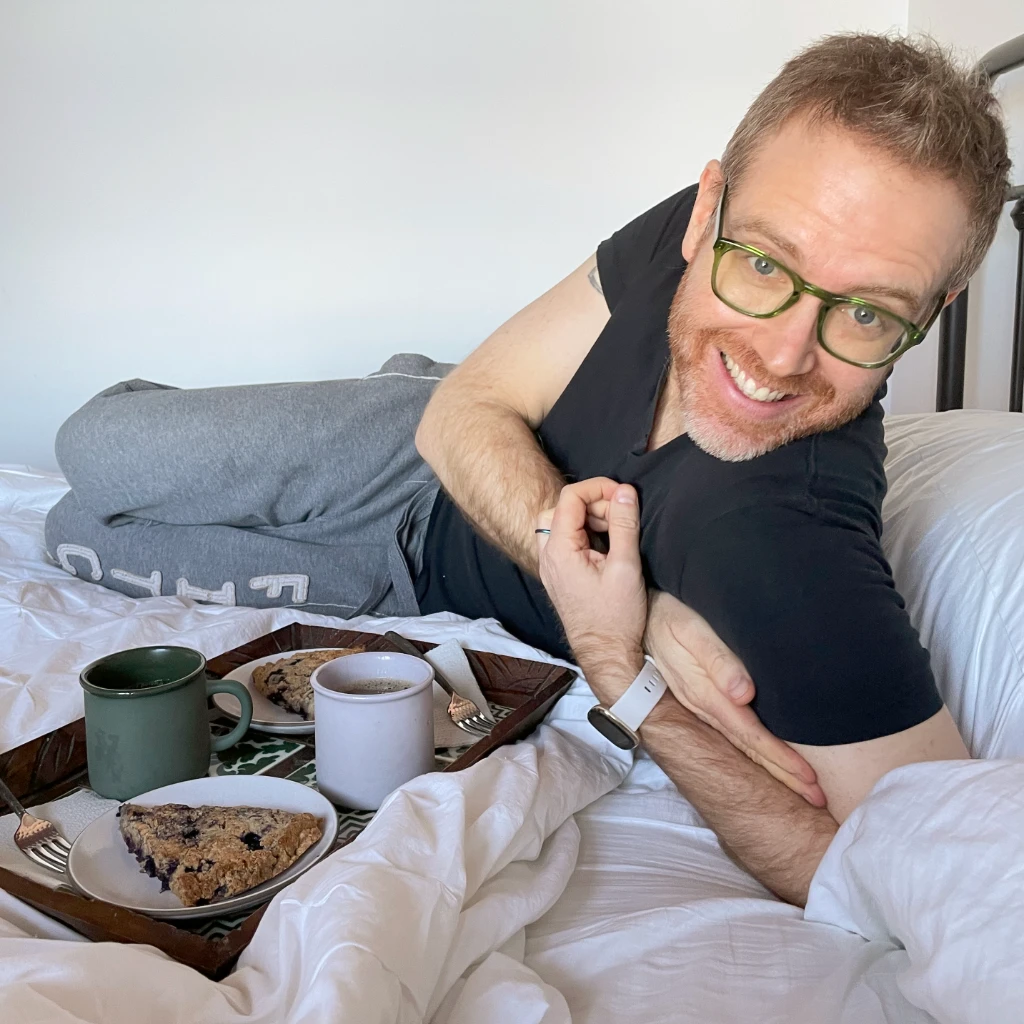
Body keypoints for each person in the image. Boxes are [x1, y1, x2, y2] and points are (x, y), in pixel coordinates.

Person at [45, 34, 1009, 904]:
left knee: (72, 533)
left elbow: (917, 887)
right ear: (709, 206)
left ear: (940, 299)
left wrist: (628, 675)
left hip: (409, 580)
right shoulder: (715, 223)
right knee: (94, 447)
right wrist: (634, 601)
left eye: (870, 313)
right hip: (411, 439)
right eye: (761, 264)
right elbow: (464, 410)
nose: (784, 353)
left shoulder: (794, 547)